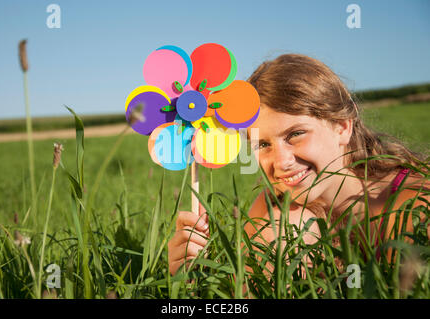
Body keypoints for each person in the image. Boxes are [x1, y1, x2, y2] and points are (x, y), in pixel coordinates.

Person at [168, 53, 429, 276]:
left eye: (295, 135)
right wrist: (195, 275)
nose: (281, 161)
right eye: (262, 144)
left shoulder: (414, 207)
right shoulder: (275, 212)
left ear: (342, 126)